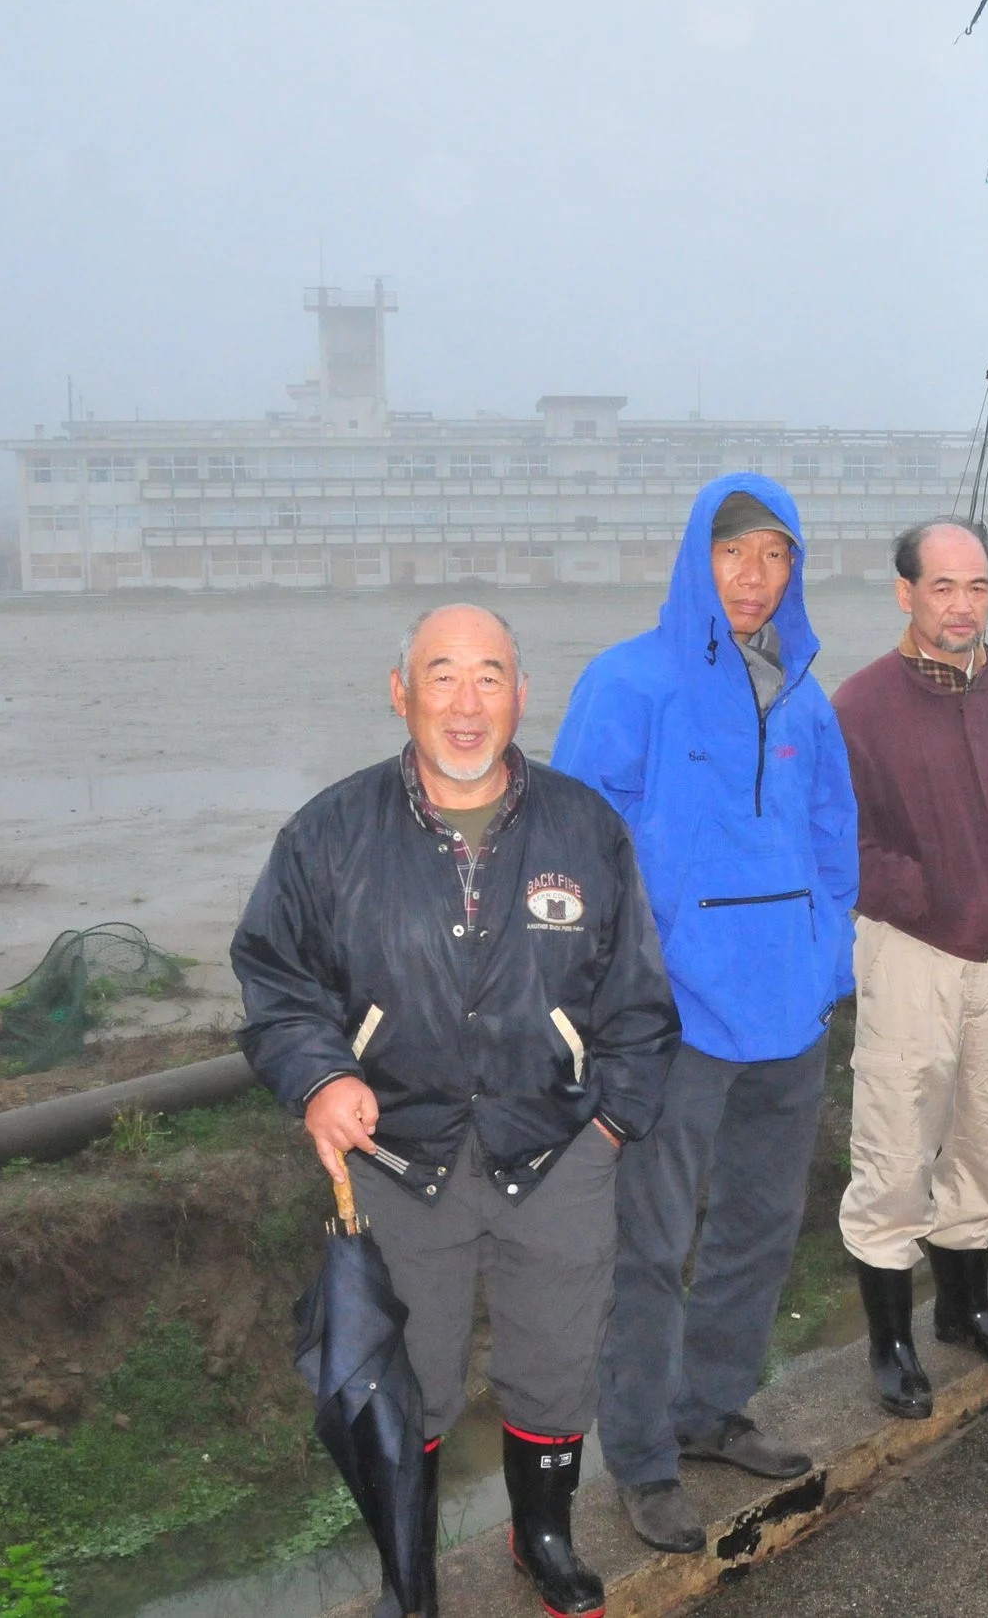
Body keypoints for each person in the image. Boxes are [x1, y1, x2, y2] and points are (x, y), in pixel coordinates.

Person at [232, 604, 677, 1618]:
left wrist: (610, 1125)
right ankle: (409, 1575)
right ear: (400, 693)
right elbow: (271, 979)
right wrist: (318, 1076)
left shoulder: (585, 826)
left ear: (523, 694)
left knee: (556, 1358)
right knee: (408, 1377)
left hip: (559, 1145)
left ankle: (544, 1536)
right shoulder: (327, 833)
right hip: (397, 1155)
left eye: (489, 676)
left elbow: (639, 1001)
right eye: (442, 675)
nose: (466, 703)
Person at [553, 476, 859, 1555]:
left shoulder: (806, 693)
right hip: (673, 1016)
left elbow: (831, 837)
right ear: (697, 557)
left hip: (789, 1007)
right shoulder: (627, 682)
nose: (754, 576)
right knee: (647, 1242)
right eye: (735, 553)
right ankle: (639, 1454)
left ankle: (712, 1407)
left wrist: (829, 961)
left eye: (776, 556)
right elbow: (577, 850)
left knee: (758, 1227)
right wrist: (620, 990)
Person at [832, 518, 988, 1418]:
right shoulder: (857, 707)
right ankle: (892, 1341)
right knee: (896, 1150)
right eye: (943, 586)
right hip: (912, 954)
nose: (963, 605)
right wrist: (934, 897)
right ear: (905, 593)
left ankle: (966, 1308)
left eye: (977, 586)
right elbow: (841, 844)